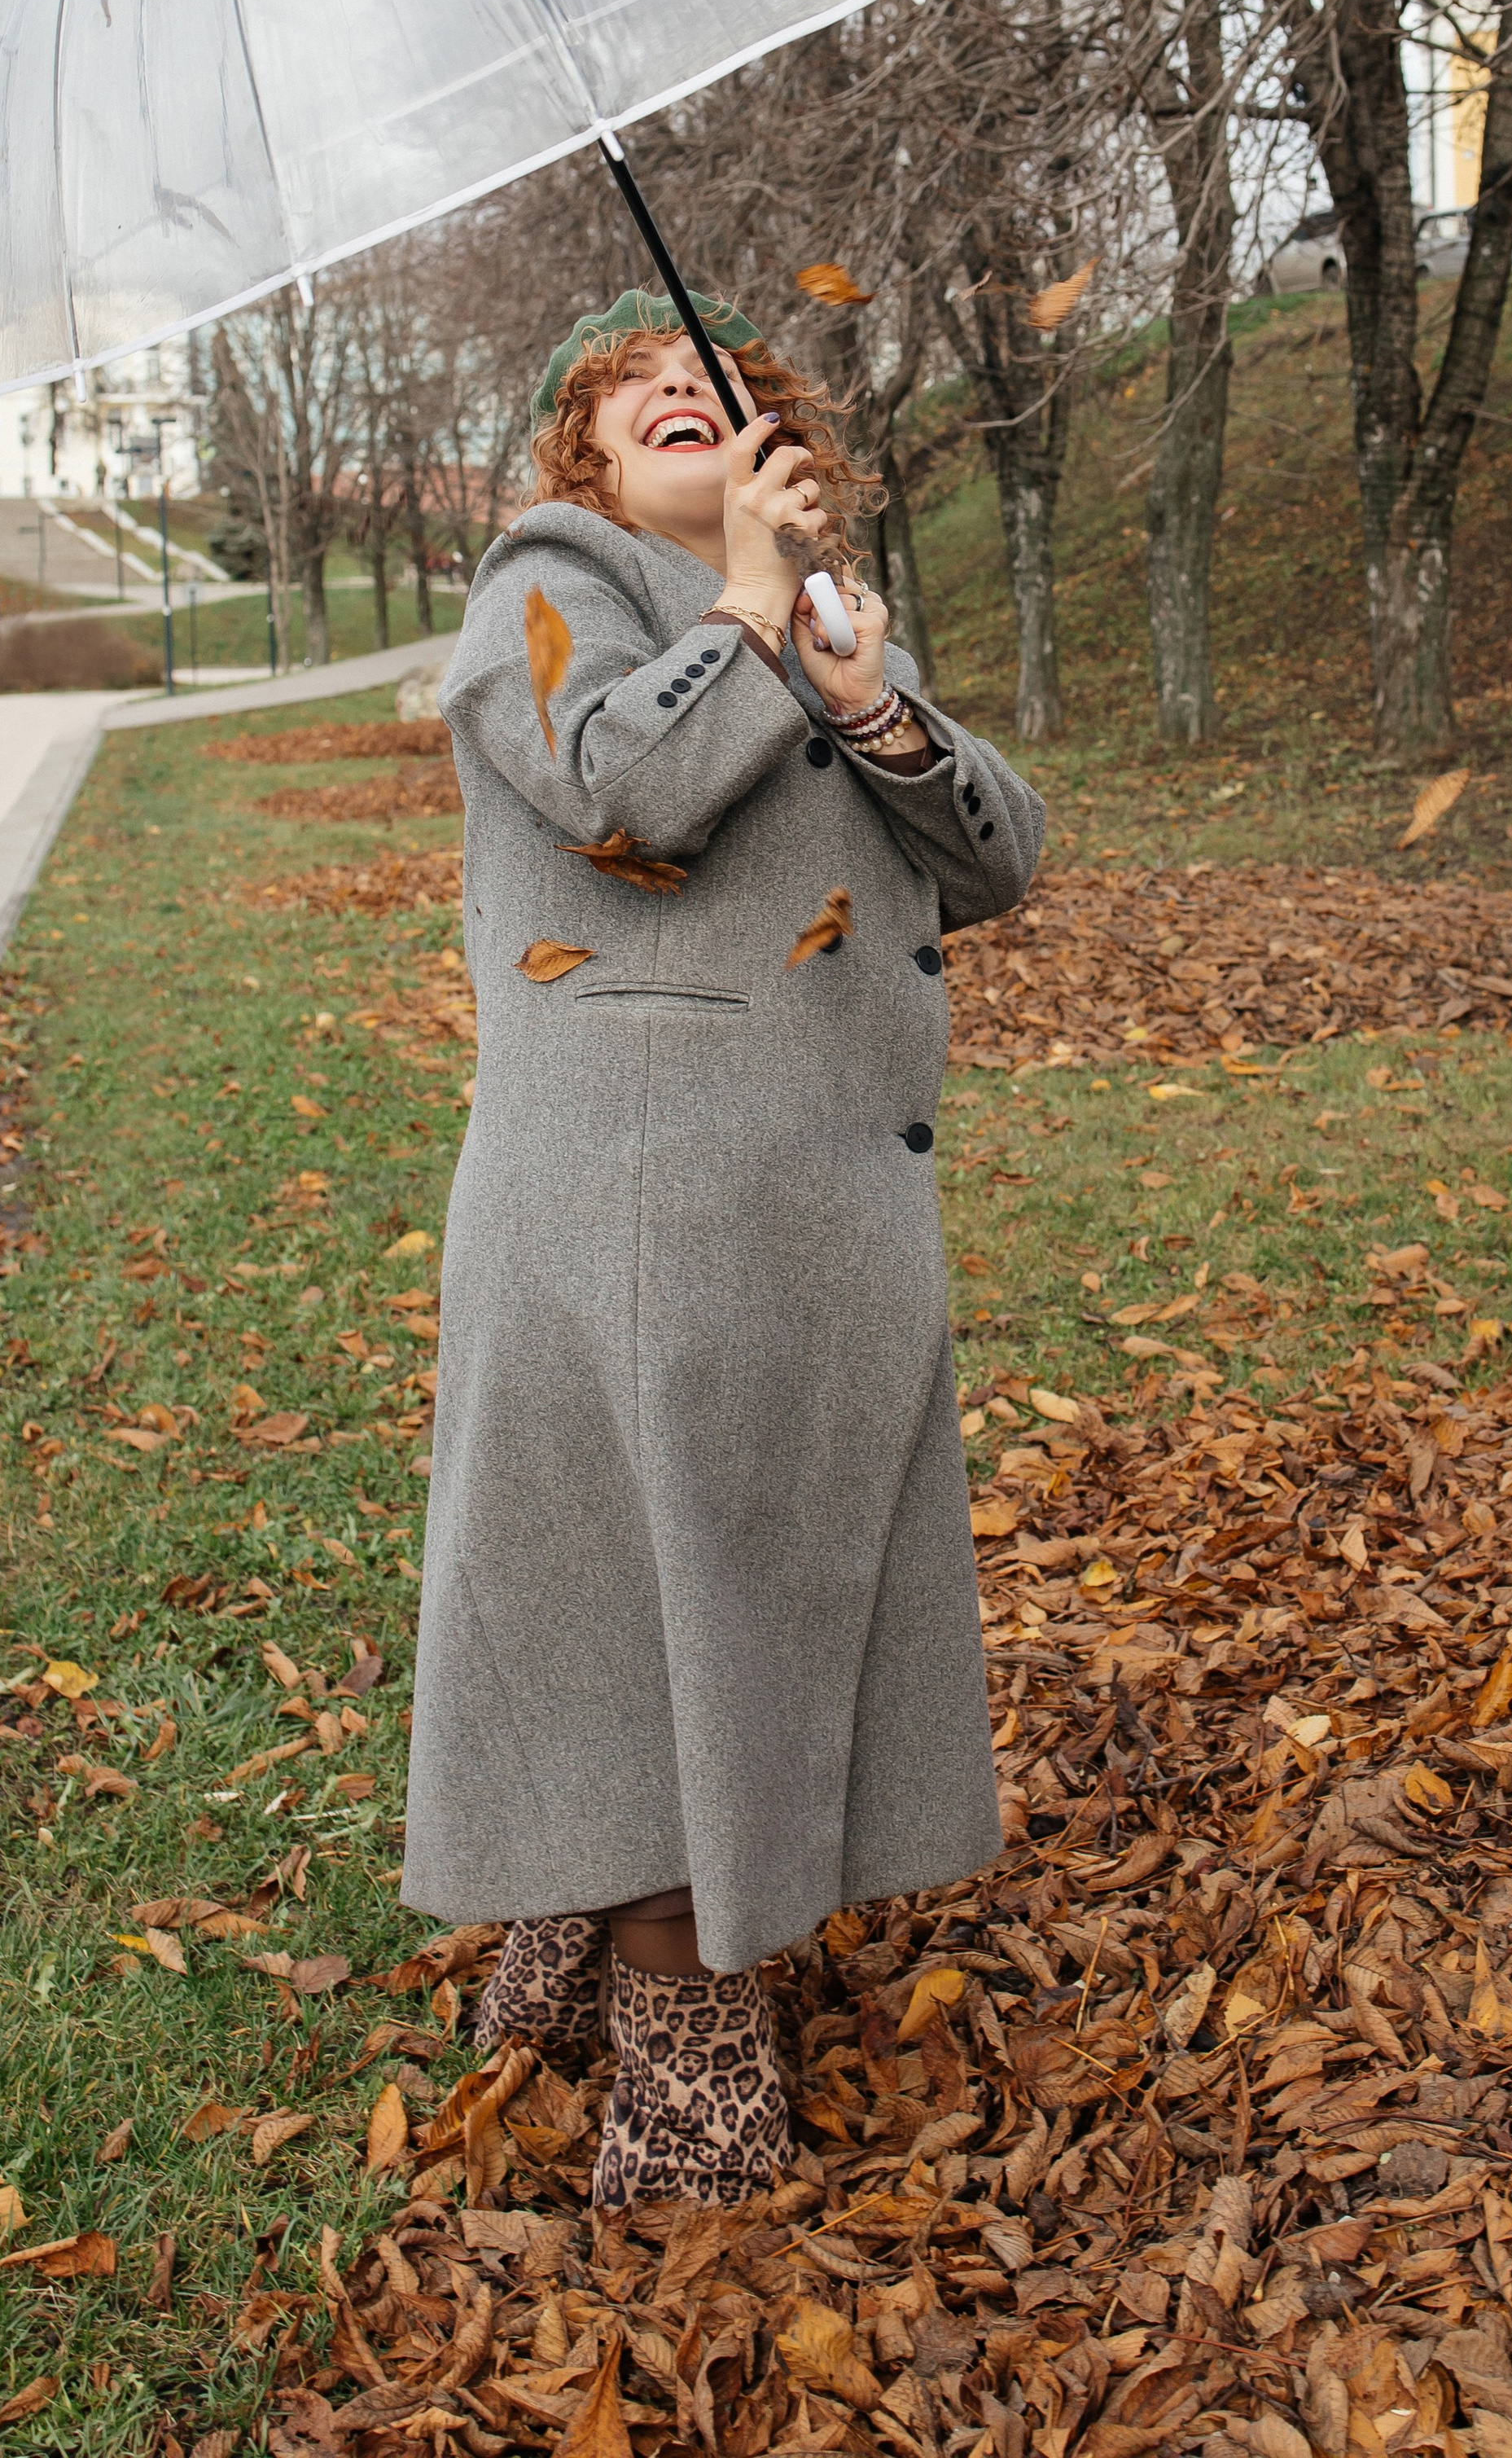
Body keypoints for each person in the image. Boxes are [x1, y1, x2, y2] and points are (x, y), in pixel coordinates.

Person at [401, 287, 1045, 2205]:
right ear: (580, 456)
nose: (686, 389)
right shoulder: (545, 590)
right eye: (632, 389)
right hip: (635, 1205)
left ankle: (577, 1908)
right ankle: (673, 1991)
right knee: (642, 1578)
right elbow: (619, 789)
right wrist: (753, 612)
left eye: (721, 382)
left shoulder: (821, 628)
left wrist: (863, 689)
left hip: (817, 1201)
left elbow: (998, 856)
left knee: (748, 1567)